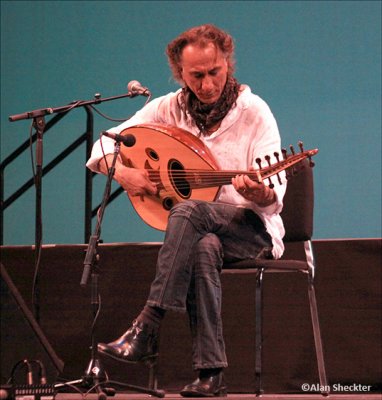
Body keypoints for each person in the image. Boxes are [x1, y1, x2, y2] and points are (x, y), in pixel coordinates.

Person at [86, 24, 286, 397]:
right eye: (197, 75)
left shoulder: (254, 112)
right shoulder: (167, 109)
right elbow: (101, 148)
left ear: (227, 63)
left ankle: (148, 324)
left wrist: (259, 191)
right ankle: (211, 375)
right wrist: (126, 173)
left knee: (190, 213)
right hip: (202, 231)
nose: (208, 83)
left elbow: (276, 197)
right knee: (200, 244)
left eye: (215, 72)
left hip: (250, 228)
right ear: (180, 73)